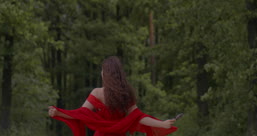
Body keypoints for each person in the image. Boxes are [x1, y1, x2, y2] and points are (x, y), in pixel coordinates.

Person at [48, 56, 178, 136]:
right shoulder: (125, 94)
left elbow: (81, 114)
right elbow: (138, 117)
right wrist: (162, 124)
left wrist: (59, 113)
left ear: (106, 74)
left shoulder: (97, 93)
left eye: (102, 70)